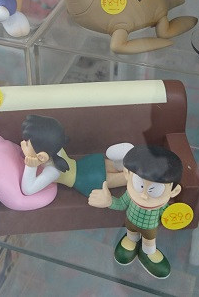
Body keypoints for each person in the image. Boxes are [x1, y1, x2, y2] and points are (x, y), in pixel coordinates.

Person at [88, 145, 182, 278]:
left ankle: (148, 252)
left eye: (154, 190)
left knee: (149, 242)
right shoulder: (130, 195)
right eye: (140, 185)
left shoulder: (161, 206)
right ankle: (131, 240)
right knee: (131, 235)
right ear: (127, 174)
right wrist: (109, 201)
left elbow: (169, 216)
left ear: (174, 191)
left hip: (150, 230)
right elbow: (121, 204)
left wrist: (176, 218)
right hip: (130, 224)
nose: (144, 196)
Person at [20, 114, 131, 197]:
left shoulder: (52, 171)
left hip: (87, 179)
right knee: (117, 168)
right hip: (86, 164)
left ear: (42, 156)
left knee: (127, 177)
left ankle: (131, 169)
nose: (22, 144)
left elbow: (28, 190)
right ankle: (121, 161)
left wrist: (31, 166)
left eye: (26, 144)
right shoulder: (55, 147)